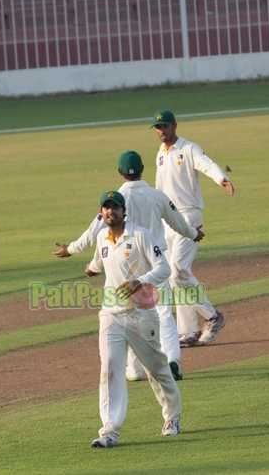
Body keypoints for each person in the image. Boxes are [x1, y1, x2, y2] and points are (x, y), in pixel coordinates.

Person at [53, 151, 204, 381]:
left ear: (119, 172)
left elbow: (94, 230)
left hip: (126, 265)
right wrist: (193, 233)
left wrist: (71, 249)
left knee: (130, 316)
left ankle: (134, 370)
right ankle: (172, 360)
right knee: (163, 314)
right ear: (142, 168)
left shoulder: (115, 200)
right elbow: (178, 223)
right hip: (155, 264)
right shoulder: (157, 195)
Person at [85, 190, 181, 448]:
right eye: (106, 208)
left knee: (156, 369)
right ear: (101, 212)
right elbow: (97, 262)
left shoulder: (140, 235)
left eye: (115, 207)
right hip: (111, 315)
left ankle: (172, 416)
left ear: (123, 211)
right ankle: (110, 430)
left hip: (141, 315)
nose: (110, 212)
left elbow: (164, 268)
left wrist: (140, 281)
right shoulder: (102, 240)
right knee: (110, 370)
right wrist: (91, 269)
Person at [152, 110, 235, 347]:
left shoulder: (188, 148)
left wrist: (222, 179)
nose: (161, 131)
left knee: (178, 270)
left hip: (189, 216)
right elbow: (160, 189)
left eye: (165, 126)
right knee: (173, 275)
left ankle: (213, 316)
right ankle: (188, 331)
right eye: (158, 128)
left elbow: (206, 164)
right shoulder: (161, 153)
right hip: (168, 220)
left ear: (175, 126)